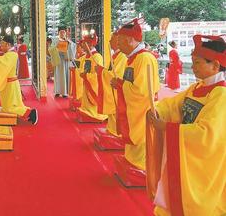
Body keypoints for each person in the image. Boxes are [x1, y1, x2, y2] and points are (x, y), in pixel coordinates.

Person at [147, 35, 225, 216]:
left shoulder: (220, 95)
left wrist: (166, 128)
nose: (194, 67)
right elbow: (173, 105)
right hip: (186, 151)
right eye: (193, 62)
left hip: (205, 163)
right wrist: (157, 110)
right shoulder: (196, 88)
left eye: (198, 63)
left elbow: (206, 135)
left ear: (215, 66)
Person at [110, 18, 160, 170]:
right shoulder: (132, 59)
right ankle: (132, 159)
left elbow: (142, 92)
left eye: (120, 41)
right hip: (133, 110)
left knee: (141, 138)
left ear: (131, 40)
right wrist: (121, 84)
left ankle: (141, 165)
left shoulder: (145, 58)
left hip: (142, 111)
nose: (117, 45)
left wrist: (120, 84)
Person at [0, 35, 38, 125]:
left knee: (11, 107)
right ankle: (29, 113)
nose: (1, 47)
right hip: (8, 85)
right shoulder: (10, 54)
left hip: (11, 86)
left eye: (2, 44)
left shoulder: (12, 55)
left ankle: (31, 113)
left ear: (8, 44)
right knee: (10, 106)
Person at [95, 32, 128, 136]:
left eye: (111, 40)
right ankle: (112, 128)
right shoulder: (115, 56)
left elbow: (116, 75)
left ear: (117, 41)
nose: (109, 42)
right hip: (113, 89)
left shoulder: (122, 56)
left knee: (116, 110)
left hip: (118, 90)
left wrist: (101, 71)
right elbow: (110, 72)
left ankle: (116, 131)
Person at [78, 32, 108, 121]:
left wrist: (87, 76)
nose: (82, 45)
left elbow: (97, 74)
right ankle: (86, 112)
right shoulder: (85, 56)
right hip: (86, 82)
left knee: (91, 101)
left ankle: (94, 115)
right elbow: (80, 67)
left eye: (84, 43)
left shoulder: (97, 57)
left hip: (91, 83)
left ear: (90, 44)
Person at [49, 26, 76, 97]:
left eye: (63, 32)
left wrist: (69, 44)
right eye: (61, 32)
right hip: (58, 60)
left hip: (65, 60)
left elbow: (74, 46)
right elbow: (51, 49)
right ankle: (57, 91)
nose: (62, 33)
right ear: (58, 33)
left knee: (65, 76)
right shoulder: (55, 40)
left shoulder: (68, 41)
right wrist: (56, 48)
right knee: (58, 76)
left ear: (66, 33)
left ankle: (65, 92)